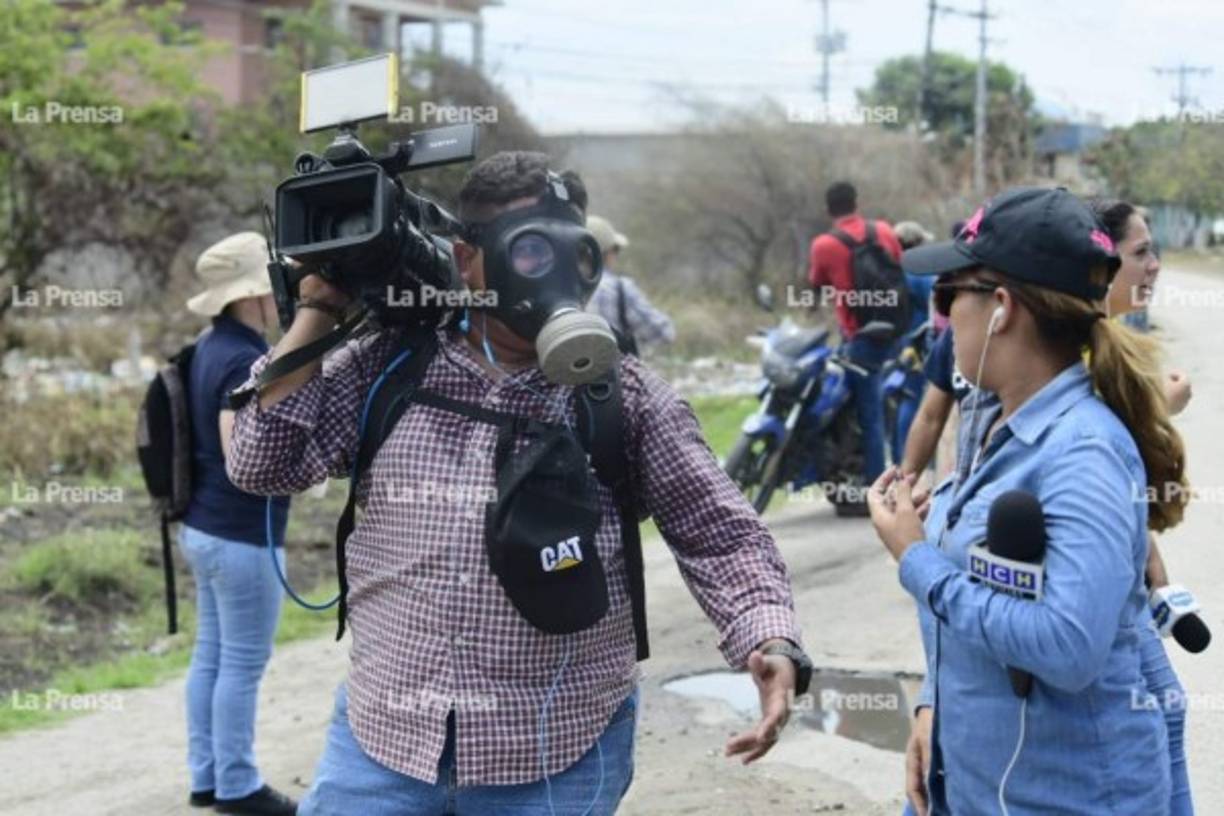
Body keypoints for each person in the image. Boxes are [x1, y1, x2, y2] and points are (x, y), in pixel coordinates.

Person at [226, 152, 812, 815]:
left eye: (573, 255)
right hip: (384, 745)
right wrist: (317, 313)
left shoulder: (622, 398)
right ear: (466, 259)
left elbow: (720, 533)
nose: (554, 275)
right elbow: (261, 465)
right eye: (529, 253)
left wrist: (768, 638)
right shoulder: (387, 368)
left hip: (554, 752)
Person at [869, 187, 1188, 814]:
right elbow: (987, 604)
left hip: (1066, 794)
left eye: (948, 295)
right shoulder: (997, 422)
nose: (942, 318)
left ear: (1000, 309)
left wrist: (917, 559)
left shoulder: (1082, 452)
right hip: (978, 781)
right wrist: (936, 704)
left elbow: (1067, 646)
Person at [180, 232, 296, 815]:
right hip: (241, 535)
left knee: (212, 657)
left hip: (201, 528)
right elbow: (243, 463)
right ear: (254, 296)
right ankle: (238, 786)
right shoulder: (244, 359)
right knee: (242, 665)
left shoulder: (207, 346)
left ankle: (207, 777)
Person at [808, 181, 905, 501]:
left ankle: (876, 490)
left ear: (828, 209)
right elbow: (899, 271)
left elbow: (815, 287)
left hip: (860, 340)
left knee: (870, 414)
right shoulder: (885, 232)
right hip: (893, 332)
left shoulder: (824, 245)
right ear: (857, 203)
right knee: (867, 405)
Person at [584, 214, 676, 354]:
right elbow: (663, 333)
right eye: (616, 249)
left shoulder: (553, 287)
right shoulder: (620, 289)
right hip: (613, 372)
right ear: (608, 253)